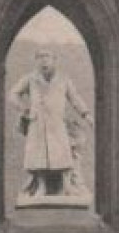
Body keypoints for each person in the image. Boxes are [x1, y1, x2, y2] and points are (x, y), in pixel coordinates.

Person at [9, 48, 93, 199]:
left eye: (47, 57)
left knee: (62, 153)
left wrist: (86, 115)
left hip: (57, 123)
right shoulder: (30, 79)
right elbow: (13, 94)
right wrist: (23, 108)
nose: (44, 60)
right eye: (40, 57)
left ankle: (66, 186)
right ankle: (41, 187)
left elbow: (75, 98)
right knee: (38, 155)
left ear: (54, 60)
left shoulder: (64, 79)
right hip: (37, 122)